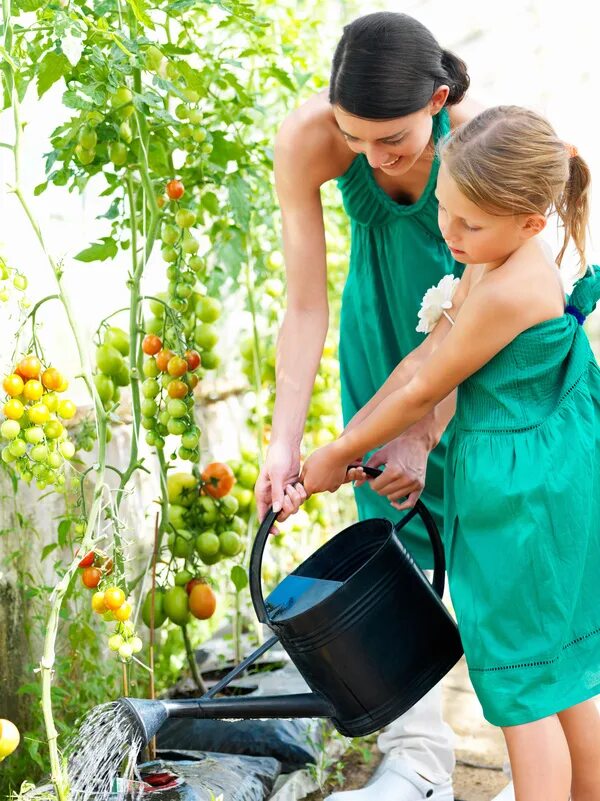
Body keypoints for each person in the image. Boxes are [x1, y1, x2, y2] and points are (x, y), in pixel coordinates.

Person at [299, 104, 600, 801]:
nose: (449, 233)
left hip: (519, 499)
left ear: (530, 220)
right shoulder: (500, 258)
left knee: (522, 693)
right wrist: (344, 446)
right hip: (544, 481)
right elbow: (416, 366)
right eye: (444, 210)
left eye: (470, 223)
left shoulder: (510, 284)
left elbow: (425, 386)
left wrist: (334, 455)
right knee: (561, 670)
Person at [255, 12, 486, 801]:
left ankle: (539, 752)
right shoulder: (307, 142)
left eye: (392, 141)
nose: (373, 157)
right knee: (389, 541)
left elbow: (476, 308)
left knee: (488, 528)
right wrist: (284, 444)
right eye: (356, 138)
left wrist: (424, 429)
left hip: (474, 345)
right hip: (380, 336)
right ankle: (418, 759)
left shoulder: (476, 145)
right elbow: (304, 304)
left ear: (437, 99)